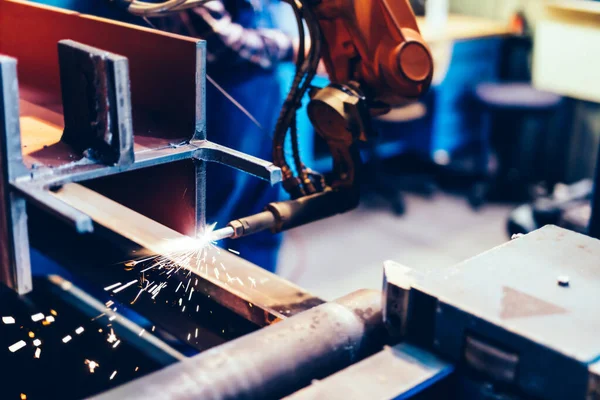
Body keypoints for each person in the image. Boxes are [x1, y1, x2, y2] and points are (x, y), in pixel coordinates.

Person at [33, 0, 298, 272]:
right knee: (200, 221)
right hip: (217, 93)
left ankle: (257, 297)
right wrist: (298, 47)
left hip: (265, 88)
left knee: (263, 210)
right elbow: (216, 40)